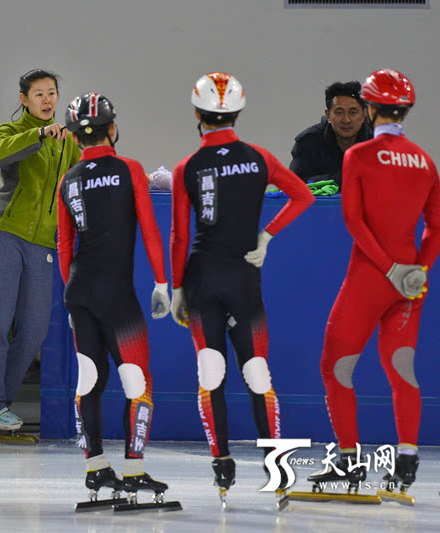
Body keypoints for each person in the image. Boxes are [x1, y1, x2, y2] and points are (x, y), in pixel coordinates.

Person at [169, 72, 314, 503]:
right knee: (256, 371)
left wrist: (177, 288)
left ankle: (222, 468)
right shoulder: (260, 157)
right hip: (244, 278)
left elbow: (179, 236)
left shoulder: (186, 167)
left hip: (201, 278)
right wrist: (267, 235)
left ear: (197, 114)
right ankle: (278, 474)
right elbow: (303, 195)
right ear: (238, 111)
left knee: (210, 372)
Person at [310, 69, 440, 498]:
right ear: (405, 110)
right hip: (410, 281)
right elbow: (437, 228)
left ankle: (349, 463)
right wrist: (417, 269)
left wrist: (387, 269)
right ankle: (406, 460)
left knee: (335, 367)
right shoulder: (425, 160)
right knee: (402, 367)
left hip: (372, 275)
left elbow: (354, 220)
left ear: (369, 110)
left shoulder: (359, 156)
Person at [57, 93, 175, 508]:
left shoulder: (68, 179)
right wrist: (162, 281)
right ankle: (134, 471)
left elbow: (64, 244)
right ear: (112, 128)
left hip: (78, 294)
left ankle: (95, 467)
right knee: (137, 383)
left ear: (74, 137)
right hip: (118, 296)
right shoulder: (130, 169)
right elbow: (149, 230)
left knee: (89, 379)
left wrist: (70, 304)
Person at [0, 69, 81, 431]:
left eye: (52, 93)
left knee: (35, 330)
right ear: (24, 100)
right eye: (39, 94)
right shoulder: (13, 133)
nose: (47, 100)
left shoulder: (68, 142)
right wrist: (37, 134)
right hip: (5, 234)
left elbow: (84, 172)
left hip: (43, 245)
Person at [289, 81, 371, 189]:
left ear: (364, 115)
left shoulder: (378, 141)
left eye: (353, 112)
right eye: (339, 112)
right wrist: (339, 179)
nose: (346, 120)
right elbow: (293, 184)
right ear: (328, 115)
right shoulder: (308, 142)